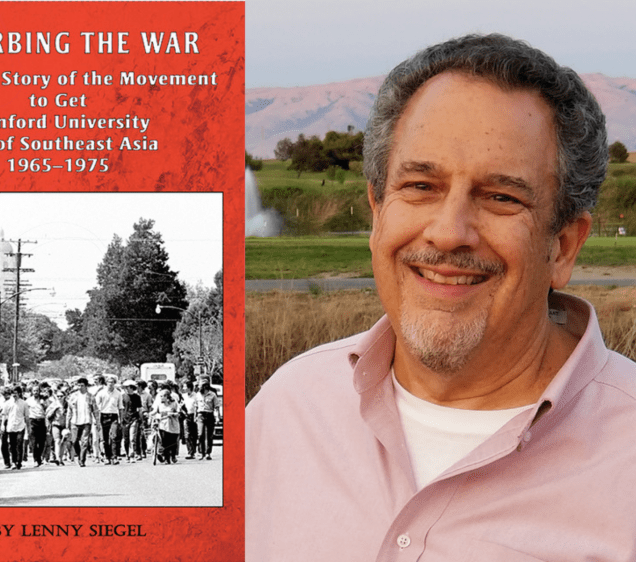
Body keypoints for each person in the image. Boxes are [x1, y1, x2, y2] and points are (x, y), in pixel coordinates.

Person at [246, 34, 636, 561]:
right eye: (420, 186)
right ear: (377, 210)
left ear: (563, 246)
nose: (449, 232)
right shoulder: (289, 408)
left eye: (501, 197)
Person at [67, 377, 98, 467]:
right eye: (79, 385)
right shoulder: (73, 396)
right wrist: (67, 422)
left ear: (86, 386)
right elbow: (69, 410)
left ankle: (82, 460)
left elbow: (95, 410)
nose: (80, 387)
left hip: (86, 421)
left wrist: (97, 421)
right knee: (74, 440)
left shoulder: (91, 396)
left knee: (84, 441)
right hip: (75, 421)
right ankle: (79, 454)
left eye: (82, 385)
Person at [95, 376, 123, 464]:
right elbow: (96, 407)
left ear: (114, 383)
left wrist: (121, 419)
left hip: (114, 415)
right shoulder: (101, 393)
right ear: (106, 383)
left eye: (112, 382)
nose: (110, 384)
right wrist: (97, 420)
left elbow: (120, 407)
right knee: (105, 438)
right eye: (109, 382)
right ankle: (107, 456)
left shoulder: (118, 393)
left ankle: (114, 457)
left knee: (114, 436)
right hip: (103, 415)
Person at [2, 385, 30, 470]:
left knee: (19, 444)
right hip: (10, 426)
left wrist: (28, 428)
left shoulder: (24, 403)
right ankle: (14, 461)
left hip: (20, 426)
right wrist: (3, 426)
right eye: (13, 393)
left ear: (19, 393)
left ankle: (19, 462)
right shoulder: (7, 403)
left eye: (16, 393)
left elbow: (27, 416)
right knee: (12, 445)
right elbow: (4, 415)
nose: (14, 395)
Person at [153, 389, 180, 464]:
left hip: (173, 424)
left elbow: (178, 411)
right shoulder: (159, 404)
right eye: (160, 396)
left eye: (163, 396)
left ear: (167, 396)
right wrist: (149, 414)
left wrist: (174, 414)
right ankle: (166, 457)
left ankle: (173, 456)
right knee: (164, 441)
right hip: (163, 425)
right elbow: (155, 412)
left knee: (173, 442)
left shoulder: (174, 403)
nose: (161, 398)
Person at [25, 383, 48, 467]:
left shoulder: (43, 400)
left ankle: (39, 457)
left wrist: (44, 404)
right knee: (34, 442)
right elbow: (26, 412)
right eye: (34, 391)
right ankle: (35, 459)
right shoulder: (28, 401)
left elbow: (48, 409)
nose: (35, 392)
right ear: (32, 392)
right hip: (32, 421)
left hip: (41, 421)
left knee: (41, 442)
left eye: (37, 391)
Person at [195, 377, 218, 460]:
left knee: (209, 435)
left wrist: (217, 416)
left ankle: (208, 453)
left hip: (209, 415)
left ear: (205, 386)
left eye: (200, 386)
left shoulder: (212, 395)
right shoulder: (197, 394)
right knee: (200, 434)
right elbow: (196, 406)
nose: (199, 387)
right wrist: (195, 416)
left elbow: (216, 406)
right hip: (200, 415)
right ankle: (201, 453)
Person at [121, 380, 143, 462]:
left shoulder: (137, 397)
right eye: (125, 387)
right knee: (126, 438)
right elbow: (121, 409)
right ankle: (127, 454)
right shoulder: (122, 396)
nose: (126, 389)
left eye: (128, 387)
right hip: (125, 419)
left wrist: (141, 419)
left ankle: (133, 454)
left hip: (134, 418)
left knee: (132, 438)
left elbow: (139, 409)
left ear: (132, 388)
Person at [180, 381, 198, 459]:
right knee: (187, 434)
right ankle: (190, 452)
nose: (184, 388)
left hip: (194, 415)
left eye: (185, 387)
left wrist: (196, 416)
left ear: (189, 387)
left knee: (194, 434)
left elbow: (197, 406)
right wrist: (183, 412)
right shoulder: (183, 396)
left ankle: (194, 451)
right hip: (186, 416)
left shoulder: (196, 396)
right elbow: (180, 405)